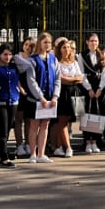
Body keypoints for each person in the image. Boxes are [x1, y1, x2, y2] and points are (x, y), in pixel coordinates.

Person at [26, 32, 61, 164]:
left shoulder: (53, 59)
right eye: (45, 42)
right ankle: (33, 154)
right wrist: (40, 97)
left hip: (50, 98)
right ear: (39, 43)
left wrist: (55, 96)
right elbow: (31, 80)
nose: (47, 45)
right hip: (36, 99)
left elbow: (57, 79)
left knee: (45, 125)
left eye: (49, 42)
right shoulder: (32, 59)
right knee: (34, 125)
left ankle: (41, 153)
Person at [0, 43, 20, 166]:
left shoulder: (13, 67)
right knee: (1, 129)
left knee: (8, 128)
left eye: (10, 54)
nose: (8, 57)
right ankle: (3, 156)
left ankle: (1, 154)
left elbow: (27, 65)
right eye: (5, 54)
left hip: (13, 101)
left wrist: (16, 57)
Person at [78, 32, 105, 155]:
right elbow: (81, 73)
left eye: (95, 41)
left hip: (99, 88)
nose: (93, 43)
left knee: (97, 114)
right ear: (87, 42)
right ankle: (87, 141)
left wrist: (100, 88)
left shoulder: (102, 55)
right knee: (86, 114)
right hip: (87, 88)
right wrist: (89, 88)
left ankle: (95, 141)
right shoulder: (81, 55)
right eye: (91, 41)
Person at [52, 38, 84, 157]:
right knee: (62, 121)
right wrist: (73, 79)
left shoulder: (74, 62)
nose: (67, 49)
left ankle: (59, 146)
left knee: (68, 120)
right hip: (62, 93)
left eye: (68, 47)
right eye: (64, 47)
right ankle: (68, 147)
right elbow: (60, 79)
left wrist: (72, 79)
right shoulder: (57, 62)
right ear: (59, 49)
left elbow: (80, 77)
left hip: (73, 92)